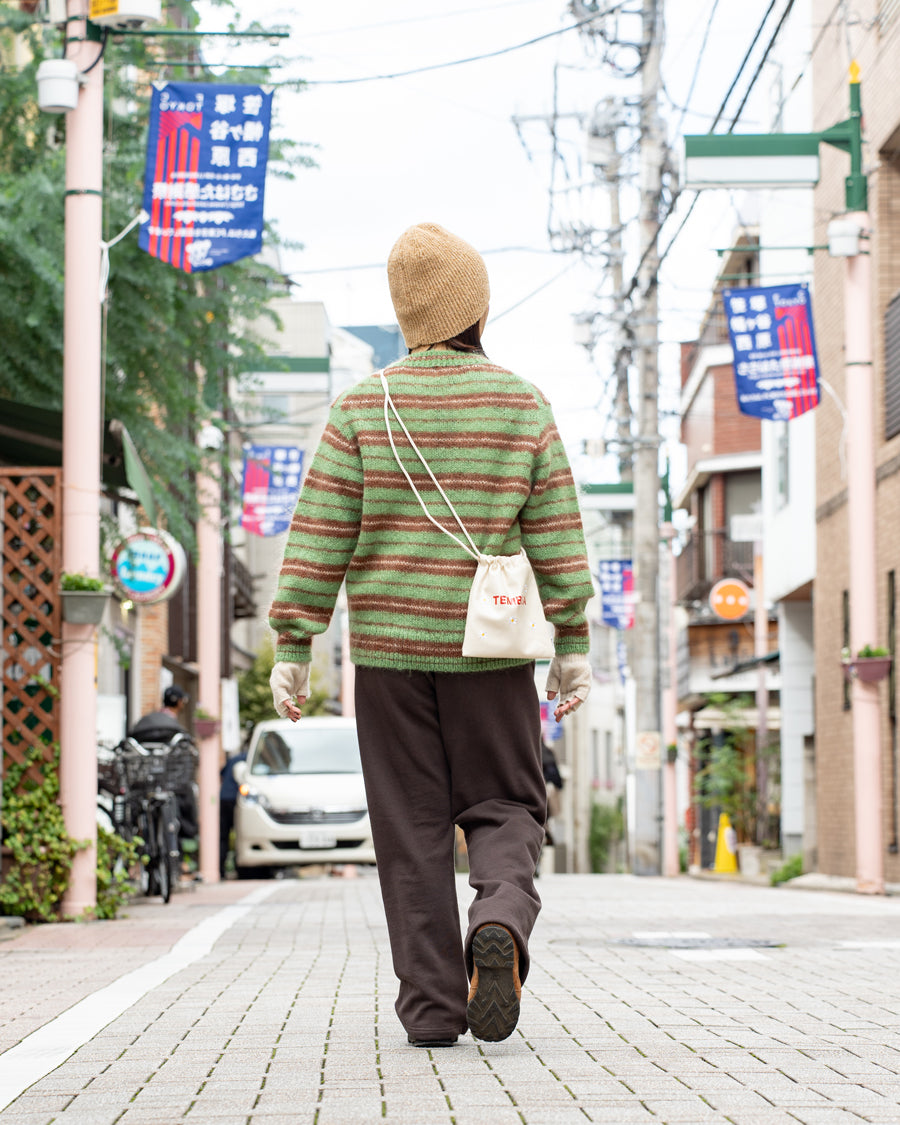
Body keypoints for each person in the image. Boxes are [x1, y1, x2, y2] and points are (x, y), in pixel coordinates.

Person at [268, 222, 593, 1048]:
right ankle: (502, 921)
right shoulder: (521, 403)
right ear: (477, 305)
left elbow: (317, 535)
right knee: (509, 802)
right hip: (491, 651)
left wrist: (294, 647)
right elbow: (556, 530)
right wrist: (573, 641)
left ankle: (433, 1010)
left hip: (386, 658)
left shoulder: (360, 408)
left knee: (410, 831)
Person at [128, 685, 199, 871]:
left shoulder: (146, 724)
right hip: (170, 781)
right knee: (184, 799)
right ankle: (181, 857)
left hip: (146, 779)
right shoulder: (174, 727)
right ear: (179, 702)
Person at [219, 750, 246, 879]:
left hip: (223, 798)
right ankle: (240, 869)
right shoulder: (248, 758)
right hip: (236, 799)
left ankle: (221, 870)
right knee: (240, 834)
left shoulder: (233, 758)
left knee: (223, 836)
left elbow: (222, 773)